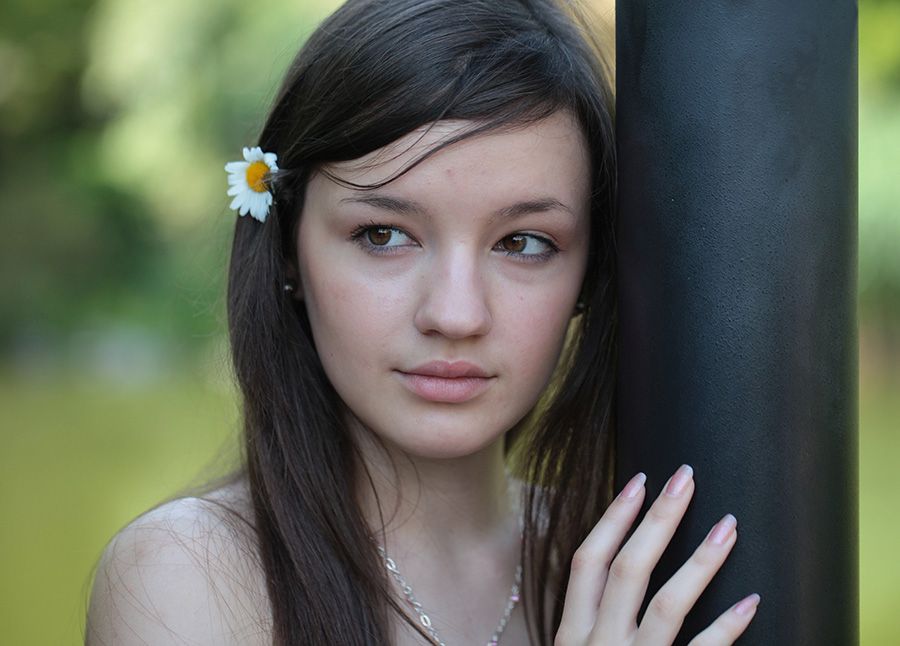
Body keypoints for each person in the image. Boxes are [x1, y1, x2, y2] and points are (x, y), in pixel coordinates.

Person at [85, 1, 760, 644]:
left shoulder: (634, 570)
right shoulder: (184, 578)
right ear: (289, 247)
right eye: (383, 235)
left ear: (589, 275)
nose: (455, 315)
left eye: (523, 243)